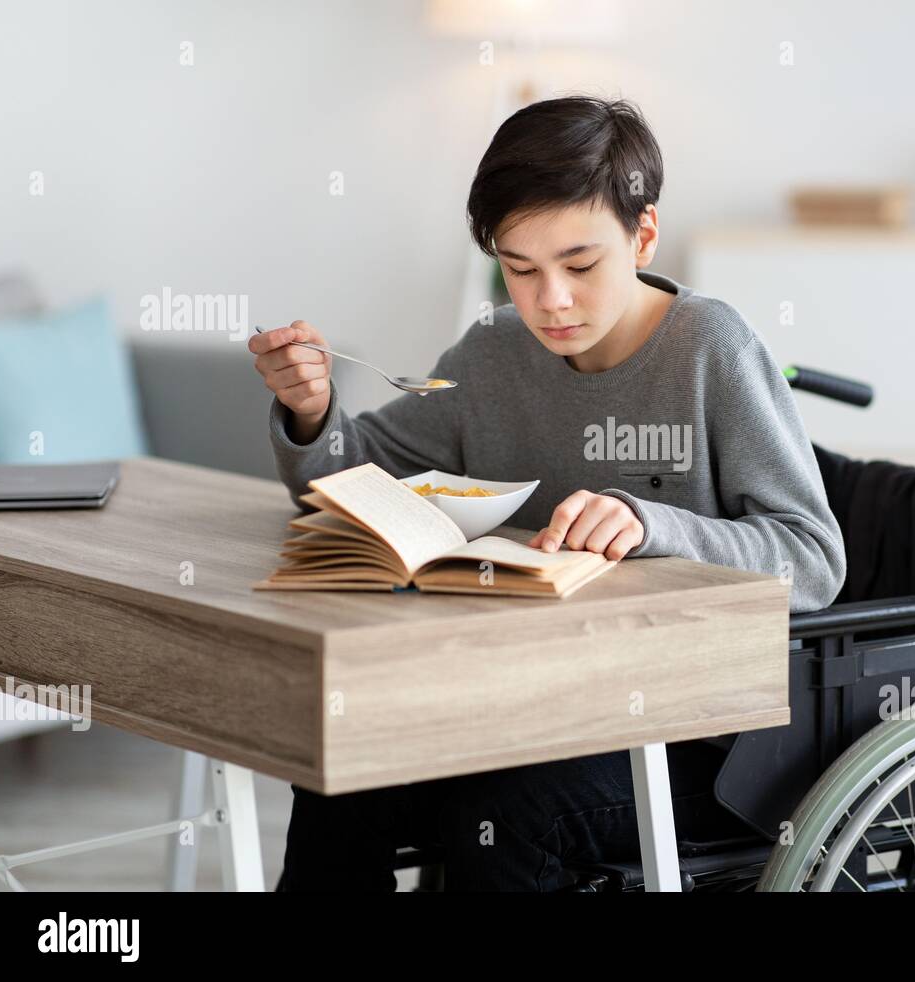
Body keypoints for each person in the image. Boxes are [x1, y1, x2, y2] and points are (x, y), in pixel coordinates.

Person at [249, 95, 845, 891]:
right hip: (530, 706)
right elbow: (355, 479)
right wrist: (311, 411)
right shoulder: (495, 351)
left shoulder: (713, 350)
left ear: (644, 234)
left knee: (499, 810)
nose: (550, 301)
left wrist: (648, 521)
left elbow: (812, 558)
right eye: (519, 270)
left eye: (580, 265)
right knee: (348, 760)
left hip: (694, 740)